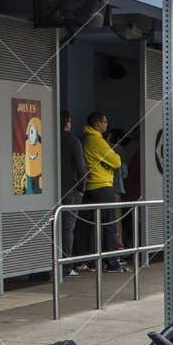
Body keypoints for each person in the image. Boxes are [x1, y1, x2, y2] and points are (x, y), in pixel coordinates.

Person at [82, 112, 128, 272]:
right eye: (105, 121)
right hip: (102, 186)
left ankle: (94, 261)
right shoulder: (97, 140)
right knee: (109, 225)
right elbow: (116, 161)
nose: (107, 124)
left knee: (93, 227)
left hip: (91, 187)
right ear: (97, 124)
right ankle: (112, 262)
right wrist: (110, 161)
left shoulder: (88, 139)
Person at [58, 110, 88, 274]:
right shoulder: (72, 140)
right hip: (70, 189)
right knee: (68, 228)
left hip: (51, 190)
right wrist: (82, 188)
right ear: (65, 122)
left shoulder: (48, 138)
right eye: (69, 120)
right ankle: (66, 266)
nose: (71, 122)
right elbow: (81, 168)